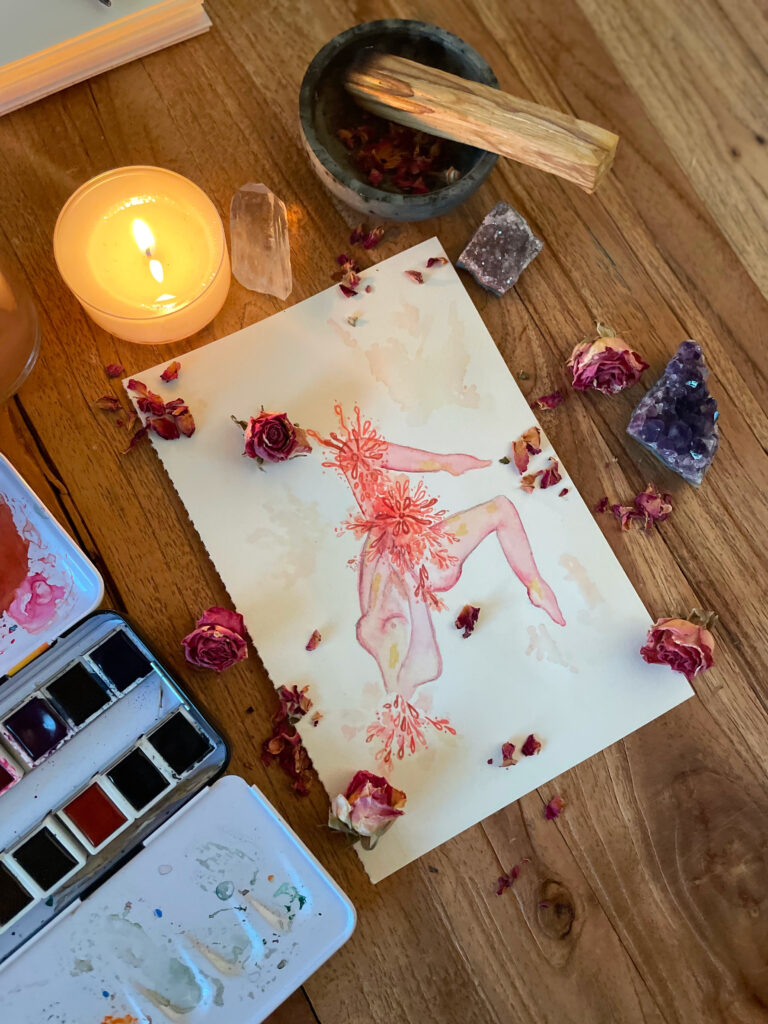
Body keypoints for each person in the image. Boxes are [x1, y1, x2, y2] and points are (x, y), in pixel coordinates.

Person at [309, 405, 565, 765]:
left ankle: (533, 587)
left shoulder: (378, 621)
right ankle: (534, 588)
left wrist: (443, 462)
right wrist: (533, 582)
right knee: (491, 512)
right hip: (422, 562)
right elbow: (499, 510)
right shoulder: (403, 633)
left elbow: (357, 453)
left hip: (407, 554)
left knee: (364, 472)